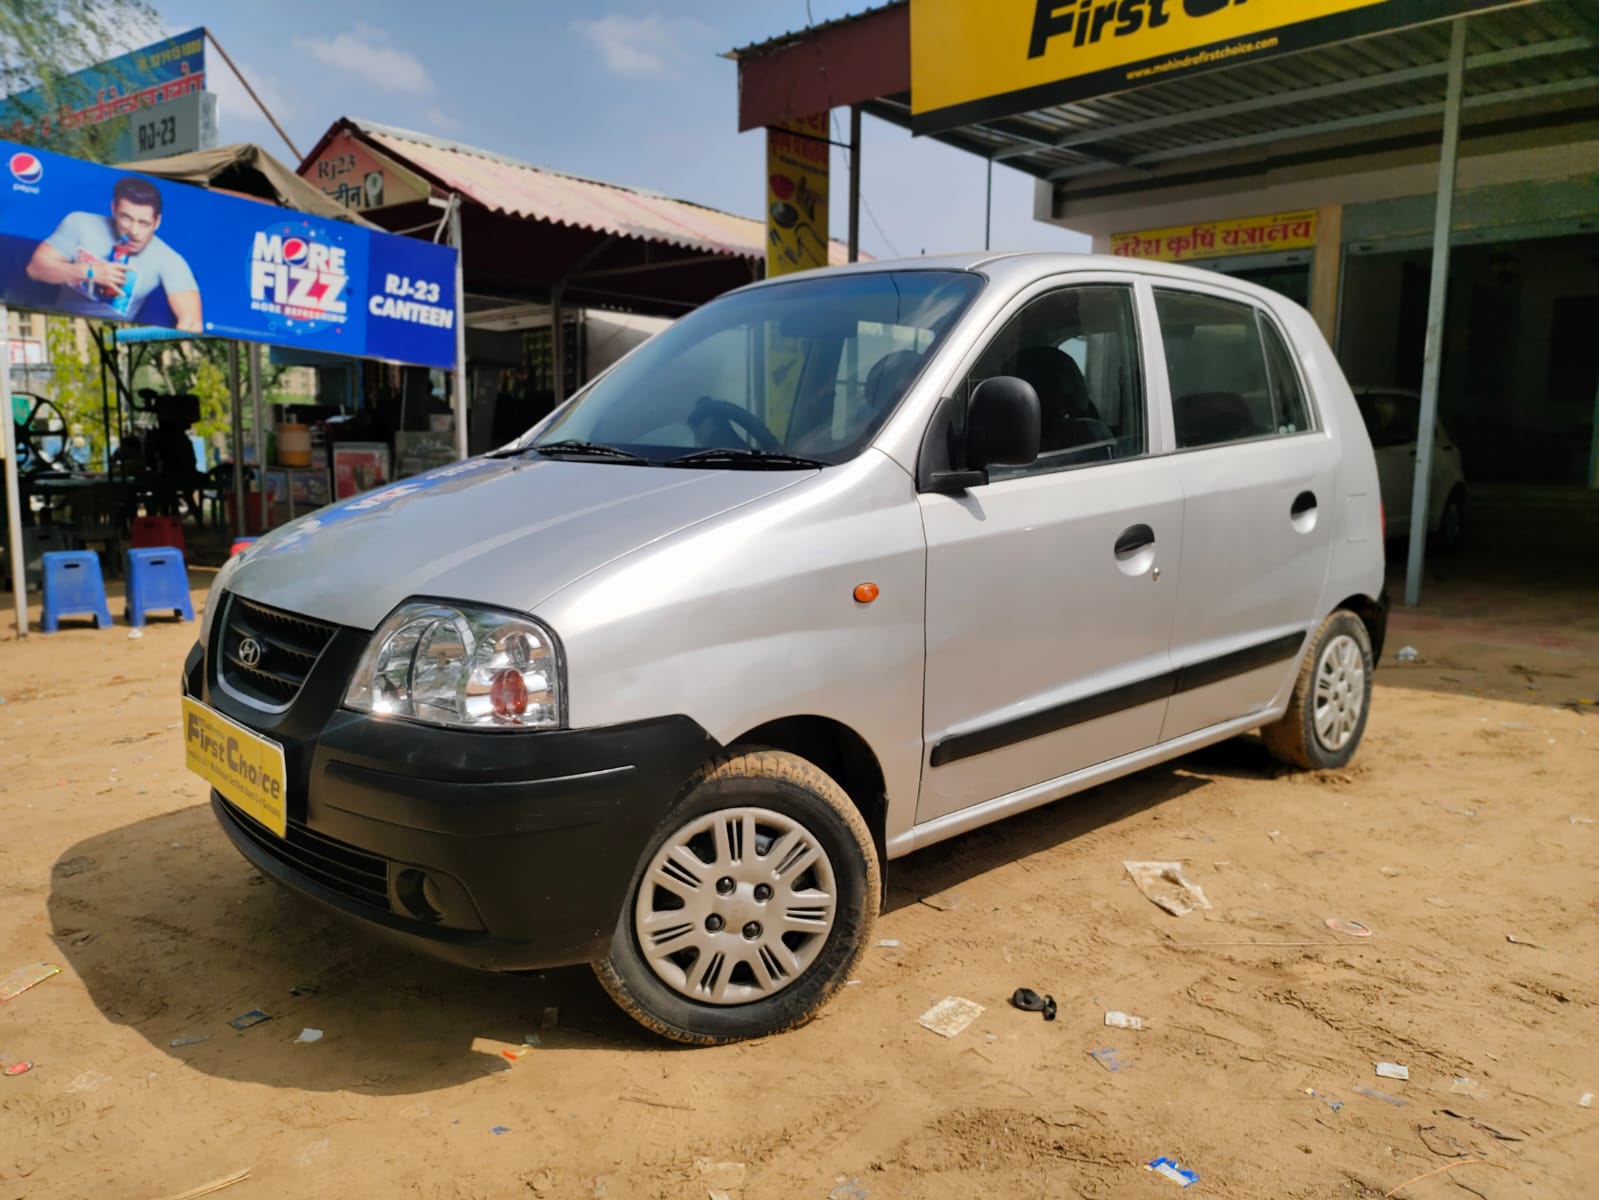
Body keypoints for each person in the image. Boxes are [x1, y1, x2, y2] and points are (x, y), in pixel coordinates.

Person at [24, 175, 202, 331]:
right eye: (126, 218)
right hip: (61, 325)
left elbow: (192, 322)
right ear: (113, 208)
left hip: (114, 339)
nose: (133, 231)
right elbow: (35, 269)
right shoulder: (79, 223)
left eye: (143, 223)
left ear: (157, 222)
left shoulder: (169, 259)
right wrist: (89, 272)